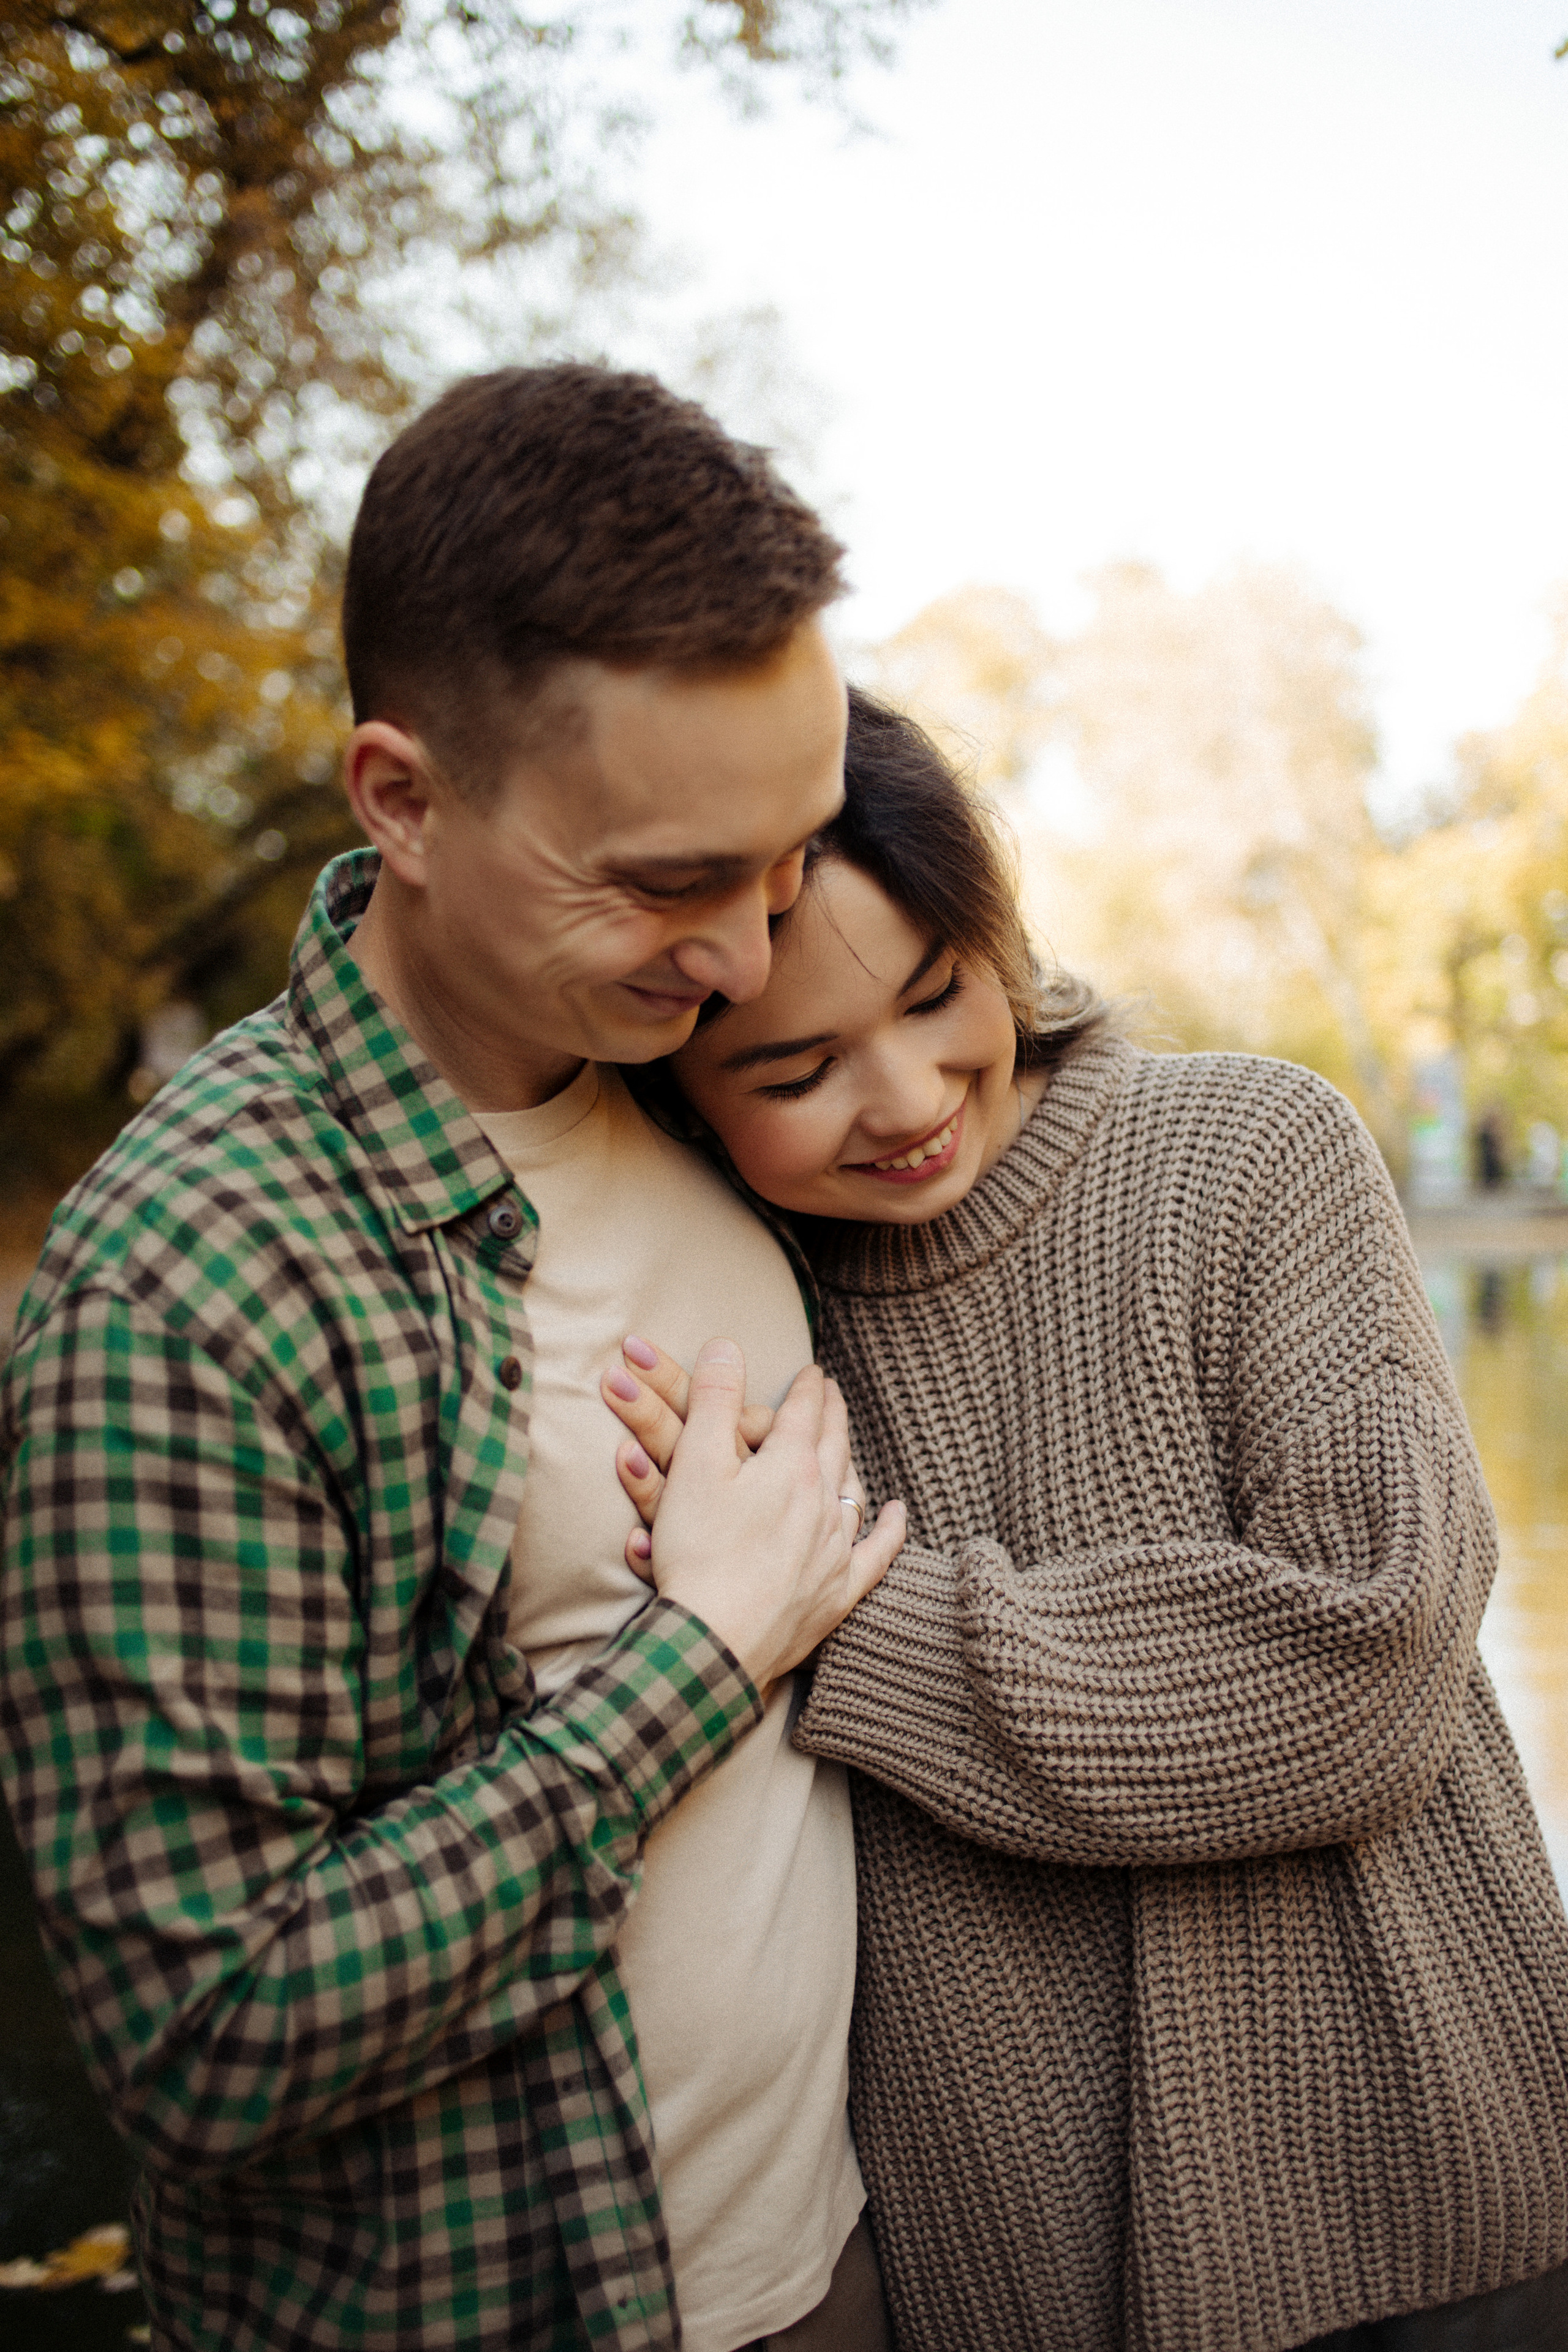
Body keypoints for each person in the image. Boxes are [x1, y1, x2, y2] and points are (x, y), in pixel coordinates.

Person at [0, 369, 907, 2352]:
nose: (754, 953)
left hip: (834, 2264)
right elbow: (209, 2029)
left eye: (790, 855)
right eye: (672, 880)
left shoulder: (683, 1075)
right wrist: (698, 1659)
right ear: (402, 800)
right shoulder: (196, 1280)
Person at [601, 688, 1568, 2351]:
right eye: (798, 1067)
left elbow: (1370, 1660)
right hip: (1020, 2244)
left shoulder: (1257, 1150)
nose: (903, 1098)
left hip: (1427, 2190)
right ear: (685, 1086)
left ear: (999, 933)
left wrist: (843, 1618)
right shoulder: (744, 1306)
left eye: (936, 995)